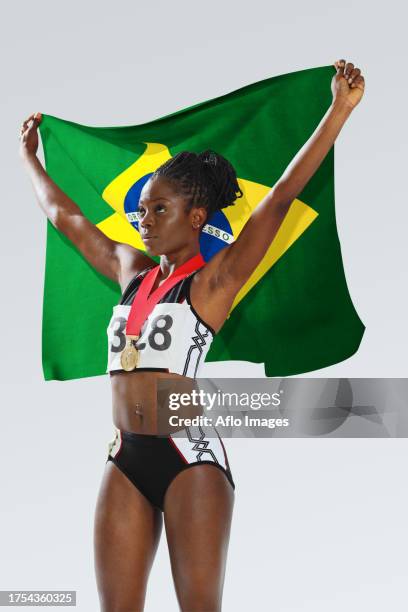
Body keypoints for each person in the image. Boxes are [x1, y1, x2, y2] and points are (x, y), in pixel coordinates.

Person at [19, 59, 365, 612]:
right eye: (142, 208)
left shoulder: (212, 283)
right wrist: (26, 160)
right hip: (124, 456)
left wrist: (339, 110)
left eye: (159, 208)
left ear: (197, 215)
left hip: (189, 458)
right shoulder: (131, 272)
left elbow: (277, 199)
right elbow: (68, 219)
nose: (143, 218)